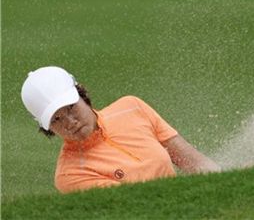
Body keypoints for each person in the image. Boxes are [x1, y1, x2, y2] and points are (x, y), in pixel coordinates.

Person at [21, 66, 221, 194]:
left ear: (81, 95)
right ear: (47, 128)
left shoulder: (131, 107)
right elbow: (140, 208)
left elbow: (194, 162)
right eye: (56, 119)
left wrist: (222, 188)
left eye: (71, 107)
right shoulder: (70, 175)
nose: (70, 122)